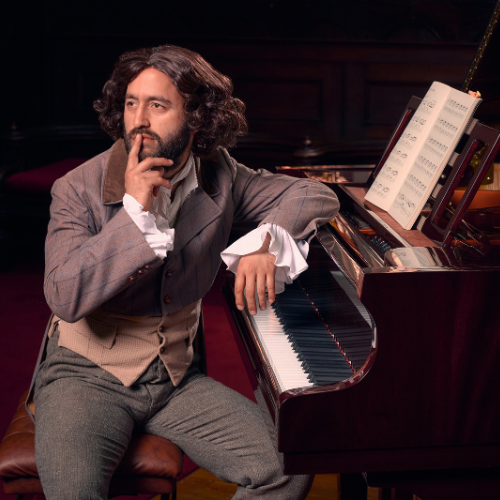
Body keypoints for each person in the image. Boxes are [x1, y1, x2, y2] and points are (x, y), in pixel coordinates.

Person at [33, 44, 339, 500]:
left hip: (174, 380)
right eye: (131, 103)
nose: (139, 120)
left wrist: (267, 241)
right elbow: (63, 296)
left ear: (197, 118)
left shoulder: (220, 175)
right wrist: (134, 213)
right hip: (84, 376)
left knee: (285, 467)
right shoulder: (77, 188)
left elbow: (313, 194)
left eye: (158, 106)